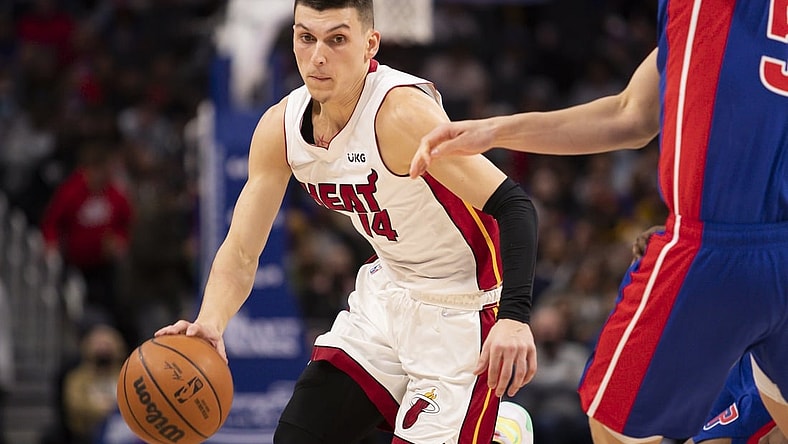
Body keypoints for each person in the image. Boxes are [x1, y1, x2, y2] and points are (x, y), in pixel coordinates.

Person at [156, 1, 539, 443]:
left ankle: (503, 431)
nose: (318, 56)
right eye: (306, 38)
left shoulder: (401, 115)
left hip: (465, 306)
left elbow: (514, 206)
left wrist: (514, 318)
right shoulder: (280, 128)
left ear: (369, 44)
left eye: (337, 39)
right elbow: (242, 249)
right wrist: (210, 323)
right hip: (388, 292)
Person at [409, 1, 788, 441]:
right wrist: (494, 131)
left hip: (716, 244)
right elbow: (631, 114)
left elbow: (632, 116)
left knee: (612, 427)